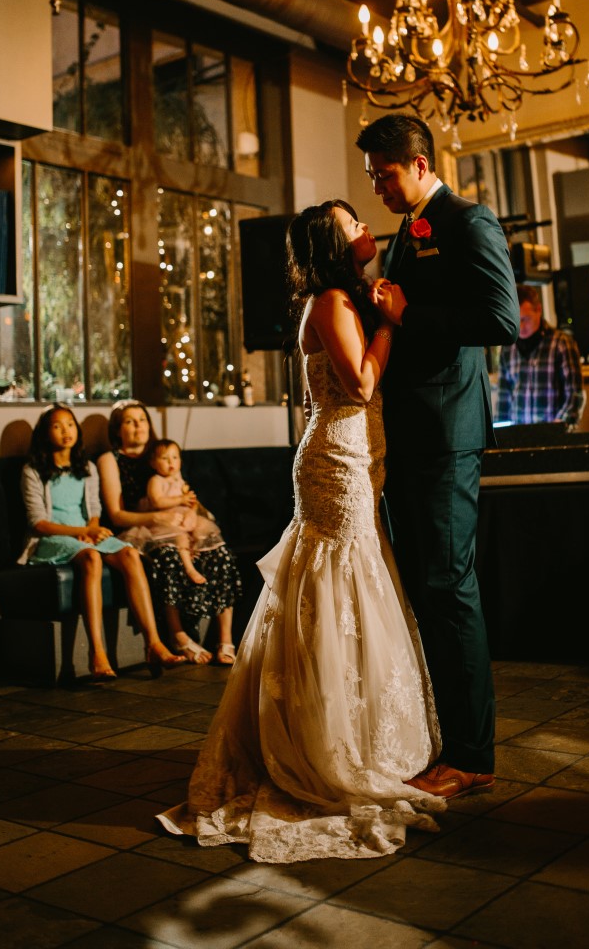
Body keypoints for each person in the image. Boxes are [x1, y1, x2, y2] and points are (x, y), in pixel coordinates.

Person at [158, 199, 444, 862]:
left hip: (353, 456)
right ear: (333, 244)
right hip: (337, 463)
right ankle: (326, 742)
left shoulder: (340, 301)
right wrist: (392, 323)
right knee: (340, 583)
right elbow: (361, 385)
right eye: (350, 223)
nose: (363, 227)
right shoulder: (332, 303)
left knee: (352, 582)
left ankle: (349, 726)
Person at [357, 114, 519, 799]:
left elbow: (501, 320)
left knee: (451, 590)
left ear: (420, 164)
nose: (378, 187)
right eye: (373, 177)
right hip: (411, 432)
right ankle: (444, 740)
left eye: (386, 174)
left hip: (448, 430)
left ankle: (473, 756)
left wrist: (405, 315)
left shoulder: (468, 221)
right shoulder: (406, 230)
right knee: (428, 589)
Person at [19, 404, 181, 681]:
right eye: (57, 426)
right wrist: (80, 532)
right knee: (92, 558)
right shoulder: (32, 470)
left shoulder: (87, 467)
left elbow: (94, 509)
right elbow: (38, 523)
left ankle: (153, 643)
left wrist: (91, 529)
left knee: (130, 554)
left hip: (86, 534)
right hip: (51, 539)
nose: (66, 431)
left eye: (70, 424)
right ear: (45, 434)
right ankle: (97, 653)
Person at [97, 401, 241, 668]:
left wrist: (192, 514)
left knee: (220, 553)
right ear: (117, 430)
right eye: (129, 421)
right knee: (169, 556)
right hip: (139, 528)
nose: (138, 425)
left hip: (178, 523)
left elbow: (183, 495)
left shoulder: (163, 453)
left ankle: (225, 638)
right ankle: (178, 635)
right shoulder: (110, 459)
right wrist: (157, 518)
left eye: (142, 419)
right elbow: (116, 515)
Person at [495, 283, 585, 426]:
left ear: (538, 310)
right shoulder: (507, 348)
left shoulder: (561, 344)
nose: (521, 327)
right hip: (518, 434)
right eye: (516, 321)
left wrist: (560, 426)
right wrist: (501, 431)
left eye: (525, 319)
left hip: (553, 433)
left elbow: (575, 394)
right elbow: (503, 397)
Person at [137, 438, 223, 586]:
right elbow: (157, 502)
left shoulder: (180, 480)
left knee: (202, 532)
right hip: (167, 520)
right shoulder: (156, 480)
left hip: (184, 516)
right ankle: (189, 568)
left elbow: (192, 503)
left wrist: (191, 513)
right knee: (180, 537)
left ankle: (195, 553)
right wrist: (180, 499)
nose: (171, 462)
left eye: (175, 457)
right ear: (153, 463)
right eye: (165, 458)